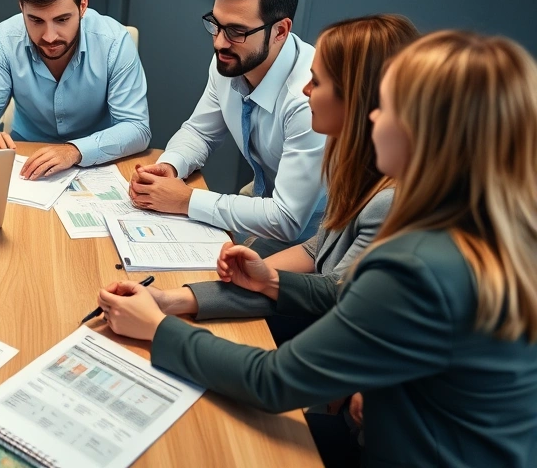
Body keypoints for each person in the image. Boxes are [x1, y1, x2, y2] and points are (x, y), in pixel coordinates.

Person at [100, 31, 537, 467]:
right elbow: (346, 294)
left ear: (422, 132)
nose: (374, 117)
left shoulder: (416, 261)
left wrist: (157, 328)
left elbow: (273, 382)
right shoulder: (490, 231)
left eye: (385, 106)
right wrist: (263, 283)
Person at [143, 13, 419, 466]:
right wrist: (181, 300)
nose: (306, 91)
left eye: (318, 81)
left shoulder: (395, 204)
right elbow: (320, 260)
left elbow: (283, 368)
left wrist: (159, 327)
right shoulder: (359, 171)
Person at [130, 0, 325, 253]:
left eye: (236, 31)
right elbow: (200, 132)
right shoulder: (231, 58)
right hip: (260, 204)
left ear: (280, 31)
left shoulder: (307, 100)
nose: (220, 42)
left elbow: (287, 219)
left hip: (316, 240)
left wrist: (185, 200)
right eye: (216, 25)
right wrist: (171, 166)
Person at [0, 0, 150, 180]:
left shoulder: (115, 42)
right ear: (21, 7)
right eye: (36, 20)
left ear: (83, 6)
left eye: (62, 20)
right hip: (25, 158)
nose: (49, 37)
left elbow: (136, 127)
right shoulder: (5, 38)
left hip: (97, 162)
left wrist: (74, 151)